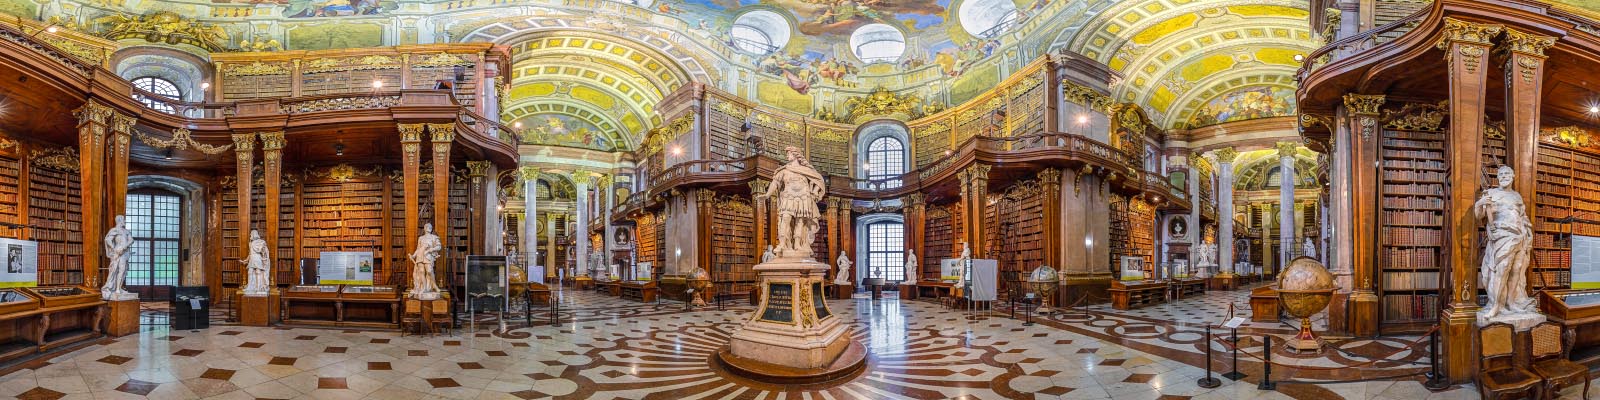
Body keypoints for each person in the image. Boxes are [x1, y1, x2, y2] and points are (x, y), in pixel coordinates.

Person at [1476, 165, 1537, 321]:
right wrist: (1480, 203)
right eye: (1501, 174)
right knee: (1502, 270)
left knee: (1517, 270)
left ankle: (1511, 302)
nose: (1504, 176)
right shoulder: (1491, 194)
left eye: (1507, 174)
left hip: (1520, 236)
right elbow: (1479, 216)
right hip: (1503, 236)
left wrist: (1528, 233)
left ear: (1513, 176)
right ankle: (1497, 305)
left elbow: (1523, 217)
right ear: (1497, 177)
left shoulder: (1517, 196)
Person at [758, 147, 825, 260]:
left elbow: (819, 180)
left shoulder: (806, 170)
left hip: (803, 197)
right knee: (785, 218)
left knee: (800, 221)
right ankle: (783, 244)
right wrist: (767, 195)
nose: (787, 156)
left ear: (795, 155)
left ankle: (798, 244)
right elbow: (775, 182)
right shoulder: (784, 170)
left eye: (788, 153)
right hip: (788, 196)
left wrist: (814, 192)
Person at [101, 216, 134, 299]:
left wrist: (124, 247)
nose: (125, 221)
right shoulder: (114, 230)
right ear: (119, 220)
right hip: (118, 253)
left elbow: (131, 240)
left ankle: (119, 288)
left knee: (124, 270)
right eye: (123, 219)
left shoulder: (126, 231)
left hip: (125, 252)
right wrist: (114, 248)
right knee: (118, 270)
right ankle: (117, 289)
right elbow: (108, 240)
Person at [410, 223, 443, 299]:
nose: (429, 228)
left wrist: (431, 249)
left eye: (430, 227)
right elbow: (418, 249)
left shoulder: (434, 237)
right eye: (427, 227)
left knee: (429, 271)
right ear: (424, 228)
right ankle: (424, 288)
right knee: (421, 271)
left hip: (428, 256)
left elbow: (439, 247)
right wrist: (413, 255)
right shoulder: (420, 238)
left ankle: (434, 286)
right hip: (420, 256)